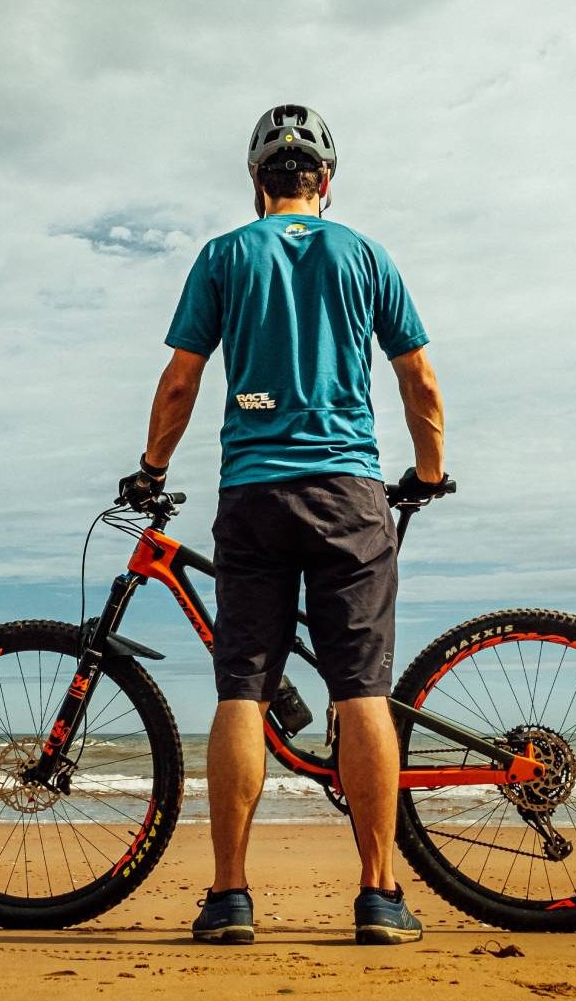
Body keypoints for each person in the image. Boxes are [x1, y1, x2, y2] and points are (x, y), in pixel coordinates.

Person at [117, 104, 449, 946]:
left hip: (255, 497)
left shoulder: (226, 255)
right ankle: (378, 893)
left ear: (257, 183)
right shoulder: (365, 254)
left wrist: (152, 470)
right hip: (347, 493)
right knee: (361, 691)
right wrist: (431, 471)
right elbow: (420, 381)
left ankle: (229, 896)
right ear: (326, 184)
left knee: (240, 690)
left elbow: (181, 382)